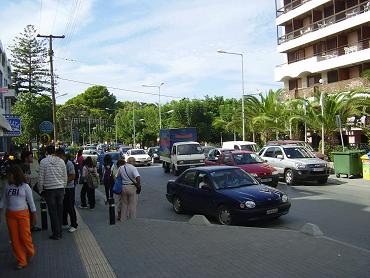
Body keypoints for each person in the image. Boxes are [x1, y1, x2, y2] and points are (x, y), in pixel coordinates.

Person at [0, 165, 36, 270]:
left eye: (9, 174)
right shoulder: (7, 186)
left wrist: (34, 215)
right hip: (10, 216)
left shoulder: (25, 187)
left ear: (15, 175)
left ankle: (30, 252)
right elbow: (3, 201)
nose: (8, 177)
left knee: (25, 237)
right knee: (14, 239)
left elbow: (31, 202)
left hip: (23, 215)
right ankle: (21, 260)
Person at [38, 145, 67, 240]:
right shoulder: (61, 161)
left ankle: (56, 234)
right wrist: (64, 187)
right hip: (60, 189)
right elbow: (64, 176)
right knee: (60, 211)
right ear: (54, 152)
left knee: (52, 212)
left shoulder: (43, 162)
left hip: (49, 190)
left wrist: (40, 189)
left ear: (46, 152)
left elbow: (41, 177)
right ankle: (60, 232)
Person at [57, 150, 78, 233]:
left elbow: (73, 176)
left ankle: (74, 225)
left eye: (58, 157)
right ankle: (64, 222)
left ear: (62, 156)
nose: (57, 158)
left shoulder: (69, 164)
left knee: (70, 206)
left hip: (69, 188)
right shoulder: (60, 163)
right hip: (62, 188)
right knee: (63, 206)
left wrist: (63, 182)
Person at [20, 150, 41, 232]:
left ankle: (31, 226)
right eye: (31, 156)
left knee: (29, 208)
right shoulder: (21, 167)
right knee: (28, 209)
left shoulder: (27, 165)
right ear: (26, 158)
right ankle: (27, 227)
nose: (32, 158)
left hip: (27, 190)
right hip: (23, 192)